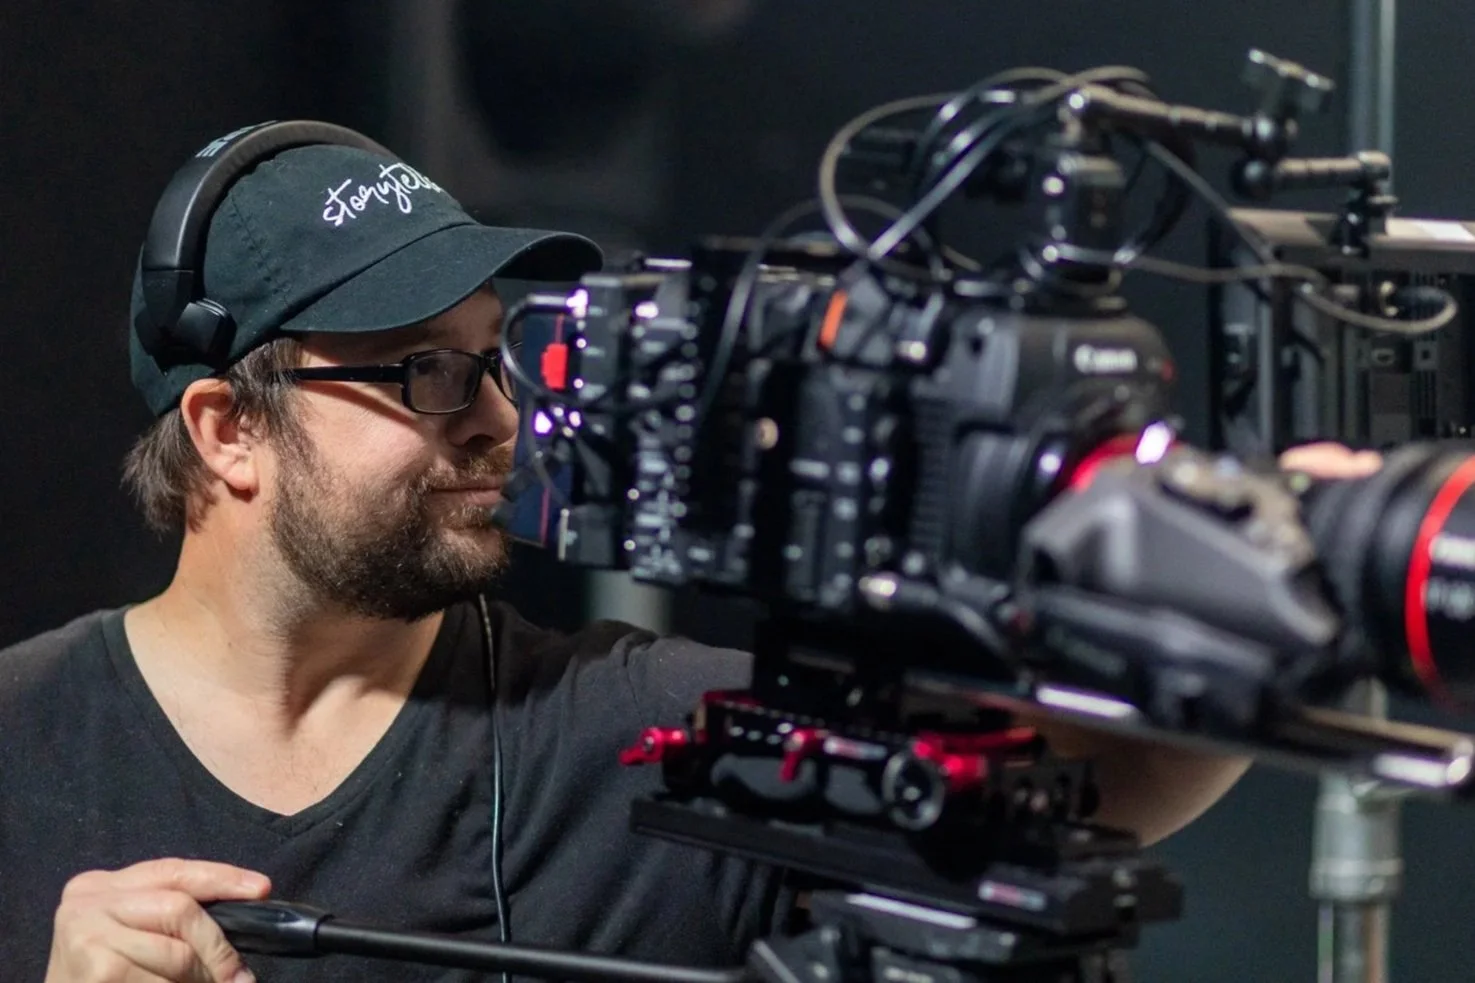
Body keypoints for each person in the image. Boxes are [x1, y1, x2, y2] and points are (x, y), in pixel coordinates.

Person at [0, 129, 1342, 983]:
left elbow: (1108, 781)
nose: (500, 421)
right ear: (228, 429)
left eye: (496, 359)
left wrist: (1279, 581)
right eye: (424, 372)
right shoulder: (19, 740)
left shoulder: (636, 725)